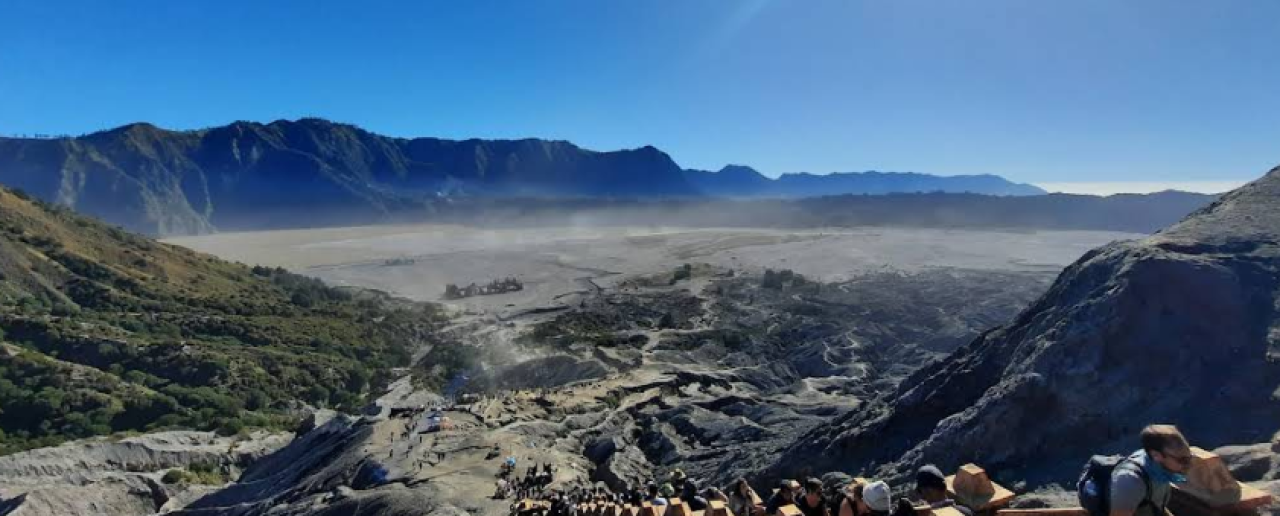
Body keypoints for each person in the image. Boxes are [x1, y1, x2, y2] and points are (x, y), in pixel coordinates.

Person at [1110, 425, 1193, 516]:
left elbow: (1156, 504)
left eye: (1190, 457)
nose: (1189, 465)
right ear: (1156, 456)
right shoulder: (1130, 481)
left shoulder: (1162, 470)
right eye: (1183, 460)